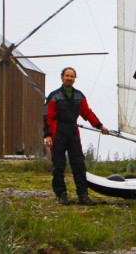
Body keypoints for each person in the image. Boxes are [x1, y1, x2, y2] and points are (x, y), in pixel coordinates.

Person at [44, 67, 109, 205]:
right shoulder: (54, 96)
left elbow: (87, 113)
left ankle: (83, 195)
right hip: (57, 131)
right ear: (62, 77)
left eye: (71, 76)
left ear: (74, 79)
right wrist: (47, 135)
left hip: (73, 131)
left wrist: (100, 126)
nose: (69, 78)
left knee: (79, 164)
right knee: (59, 165)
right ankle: (61, 195)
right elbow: (47, 117)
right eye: (67, 75)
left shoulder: (79, 96)